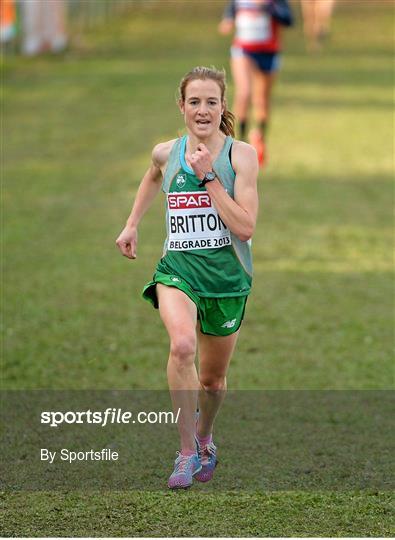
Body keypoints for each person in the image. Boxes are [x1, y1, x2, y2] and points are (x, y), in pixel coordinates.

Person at [116, 66, 259, 489]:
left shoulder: (240, 156)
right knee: (181, 347)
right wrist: (132, 223)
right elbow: (153, 175)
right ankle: (184, 454)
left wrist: (208, 178)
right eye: (194, 101)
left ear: (223, 106)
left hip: (226, 280)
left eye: (211, 101)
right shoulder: (166, 151)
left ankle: (204, 437)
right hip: (177, 270)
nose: (202, 110)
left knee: (213, 382)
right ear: (181, 106)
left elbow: (246, 227)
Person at [218, 0, 293, 166]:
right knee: (244, 93)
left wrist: (270, 9)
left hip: (269, 53)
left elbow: (288, 20)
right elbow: (231, 13)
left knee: (262, 100)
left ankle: (260, 139)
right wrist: (228, 21)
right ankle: (238, 144)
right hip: (244, 50)